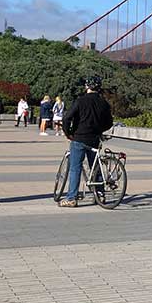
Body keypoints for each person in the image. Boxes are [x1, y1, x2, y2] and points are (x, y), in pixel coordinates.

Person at [59, 76, 114, 208]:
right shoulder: (103, 103)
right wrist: (99, 129)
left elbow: (67, 118)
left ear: (87, 86)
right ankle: (100, 194)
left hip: (79, 137)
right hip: (94, 138)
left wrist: (69, 132)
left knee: (75, 167)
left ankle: (71, 198)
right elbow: (109, 123)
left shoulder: (80, 101)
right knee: (95, 167)